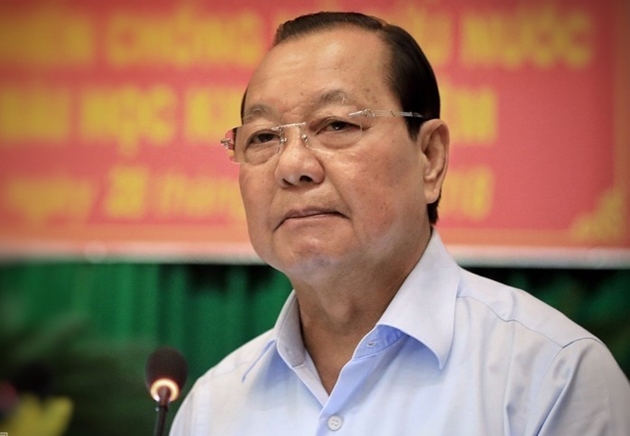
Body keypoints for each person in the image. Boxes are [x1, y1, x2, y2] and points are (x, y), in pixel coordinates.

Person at [171, 11, 630, 435]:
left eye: (336, 125)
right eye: (263, 137)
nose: (292, 166)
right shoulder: (213, 408)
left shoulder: (551, 377)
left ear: (430, 157)